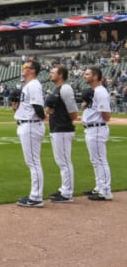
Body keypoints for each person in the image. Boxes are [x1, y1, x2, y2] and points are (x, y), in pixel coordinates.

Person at [12, 60, 46, 208]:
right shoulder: (29, 85)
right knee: (32, 162)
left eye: (25, 67)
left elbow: (38, 107)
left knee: (33, 162)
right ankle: (35, 195)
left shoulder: (34, 85)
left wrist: (42, 118)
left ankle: (36, 197)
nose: (23, 68)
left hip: (31, 125)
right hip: (27, 125)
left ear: (32, 70)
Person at [45, 65, 78, 203]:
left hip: (63, 129)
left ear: (61, 75)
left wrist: (62, 119)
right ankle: (65, 189)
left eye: (53, 72)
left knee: (64, 161)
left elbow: (74, 113)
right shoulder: (57, 89)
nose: (50, 74)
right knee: (61, 161)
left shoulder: (65, 88)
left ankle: (67, 193)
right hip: (57, 129)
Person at [82, 66, 113, 201]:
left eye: (87, 74)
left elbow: (106, 115)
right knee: (95, 160)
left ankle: (106, 191)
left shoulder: (100, 92)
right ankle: (99, 187)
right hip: (91, 128)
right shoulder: (94, 91)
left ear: (95, 76)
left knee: (100, 160)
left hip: (97, 128)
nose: (85, 76)